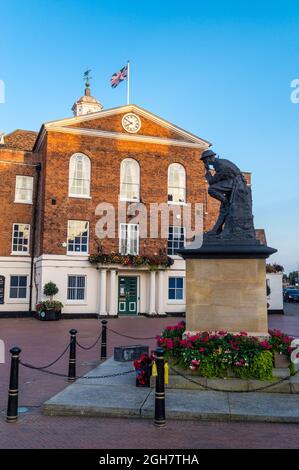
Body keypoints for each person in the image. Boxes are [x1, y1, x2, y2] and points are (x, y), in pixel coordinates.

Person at [201, 149, 254, 238]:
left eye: (204, 160)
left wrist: (208, 172)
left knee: (212, 189)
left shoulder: (220, 165)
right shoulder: (220, 163)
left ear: (210, 158)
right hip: (234, 184)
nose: (204, 162)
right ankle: (215, 230)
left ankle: (226, 202)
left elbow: (213, 182)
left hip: (236, 184)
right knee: (223, 209)